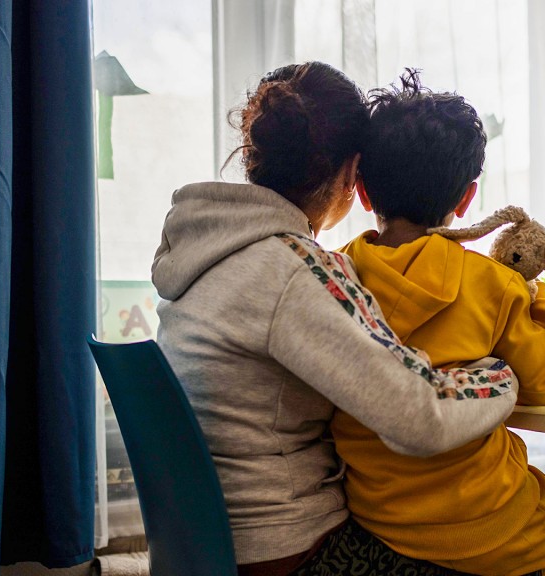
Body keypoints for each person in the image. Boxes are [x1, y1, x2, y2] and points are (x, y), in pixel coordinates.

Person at [151, 61, 518, 576]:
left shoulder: (205, 250)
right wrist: (499, 372)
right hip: (292, 553)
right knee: (516, 554)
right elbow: (421, 419)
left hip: (208, 544)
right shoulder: (292, 270)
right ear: (352, 174)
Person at [334, 70, 545, 576]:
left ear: (361, 189)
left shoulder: (334, 276)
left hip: (379, 522)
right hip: (492, 528)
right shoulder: (493, 283)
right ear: (467, 199)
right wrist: (543, 306)